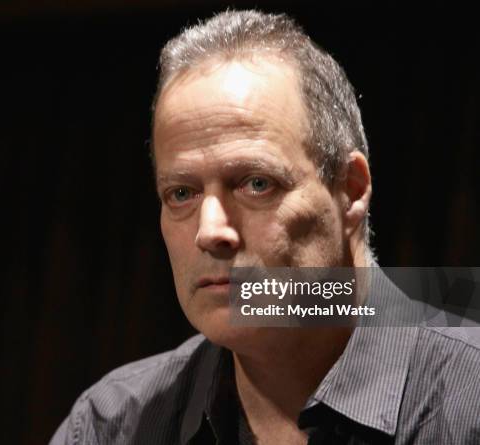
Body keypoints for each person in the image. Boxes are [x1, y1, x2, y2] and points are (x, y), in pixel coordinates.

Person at [50, 10, 480, 444]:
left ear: (350, 190)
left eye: (257, 184)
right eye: (182, 193)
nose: (210, 231)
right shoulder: (111, 426)